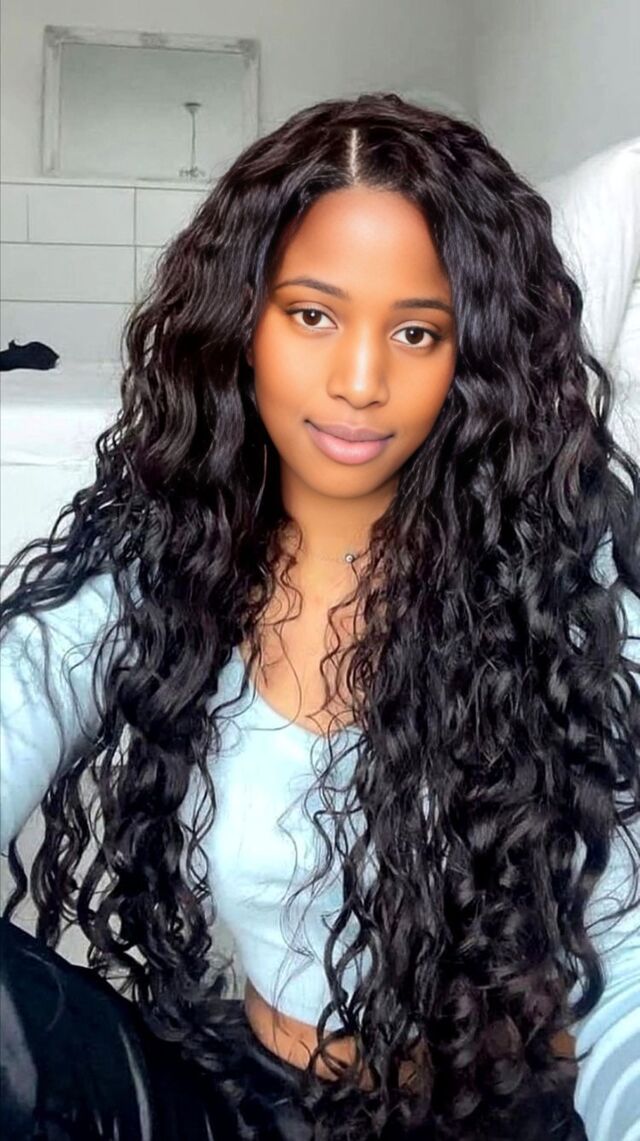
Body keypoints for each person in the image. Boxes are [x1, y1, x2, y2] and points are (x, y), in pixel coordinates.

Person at [0, 92, 638, 1141]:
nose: (359, 381)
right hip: (246, 1099)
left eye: (417, 331)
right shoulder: (166, 556)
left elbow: (628, 957)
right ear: (243, 323)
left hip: (501, 1111)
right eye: (312, 314)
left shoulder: (571, 577)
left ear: (473, 356)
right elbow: (21, 690)